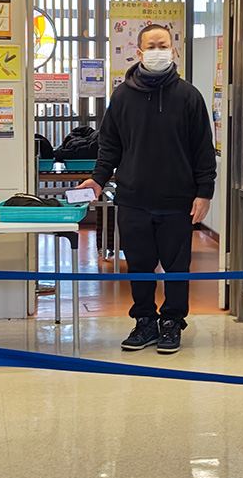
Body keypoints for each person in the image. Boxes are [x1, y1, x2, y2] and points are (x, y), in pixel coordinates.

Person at [78, 24, 216, 355]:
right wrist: (97, 179)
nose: (158, 51)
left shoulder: (189, 96)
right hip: (133, 199)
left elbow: (203, 149)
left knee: (176, 268)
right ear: (139, 53)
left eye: (163, 45)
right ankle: (144, 322)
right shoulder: (122, 96)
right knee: (139, 266)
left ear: (173, 50)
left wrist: (205, 192)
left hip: (178, 201)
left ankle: (172, 322)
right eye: (151, 46)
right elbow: (109, 146)